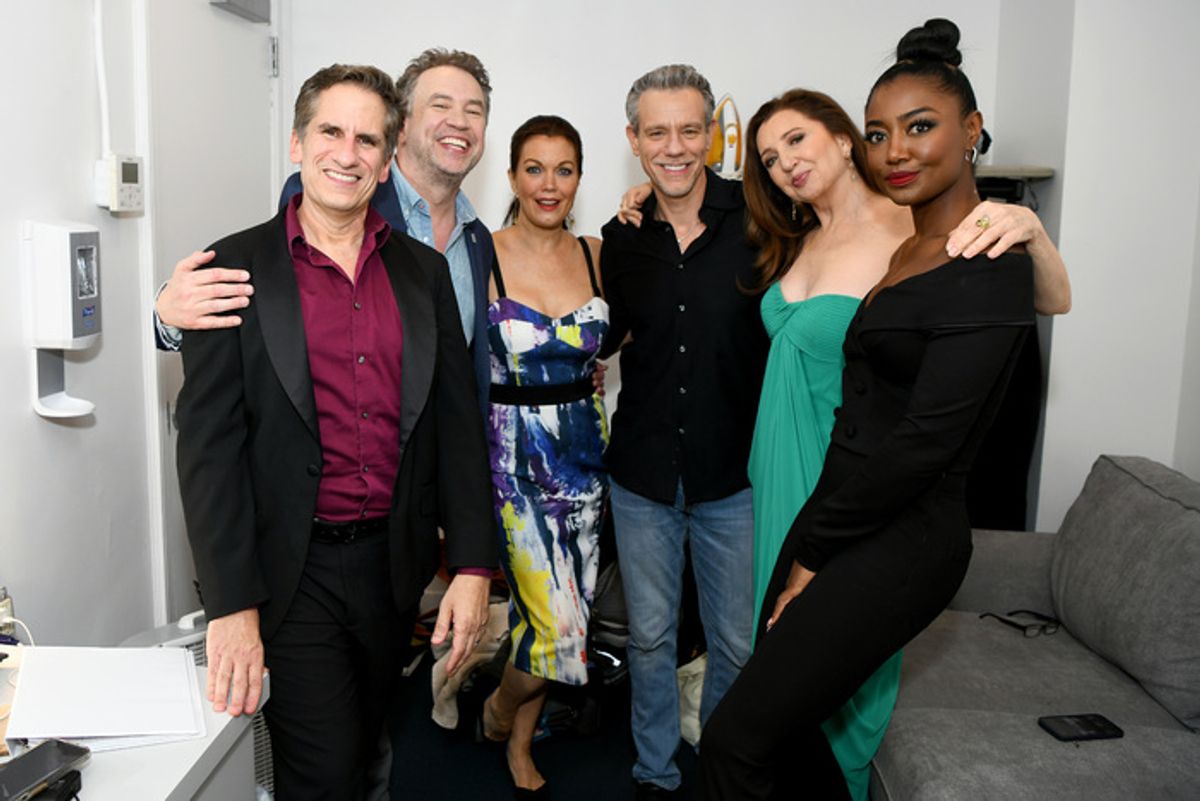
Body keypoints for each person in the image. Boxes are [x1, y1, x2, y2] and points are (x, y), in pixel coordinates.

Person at [699, 19, 1041, 798]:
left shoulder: (940, 239)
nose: (786, 163)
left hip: (869, 502)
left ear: (839, 138)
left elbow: (931, 421)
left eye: (797, 140)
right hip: (804, 488)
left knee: (761, 728)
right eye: (770, 156)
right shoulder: (807, 241)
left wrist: (1032, 229)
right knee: (778, 704)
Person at [174, 64, 495, 801]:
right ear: (296, 142)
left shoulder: (422, 273)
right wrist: (231, 605)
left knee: (374, 744)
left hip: (393, 568)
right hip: (291, 572)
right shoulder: (231, 269)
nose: (346, 154)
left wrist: (473, 568)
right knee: (322, 772)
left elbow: (455, 425)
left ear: (387, 161)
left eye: (367, 139)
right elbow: (209, 448)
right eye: (330, 132)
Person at [155, 48, 498, 415]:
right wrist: (166, 315)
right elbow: (264, 304)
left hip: (429, 464)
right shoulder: (328, 192)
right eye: (441, 105)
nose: (459, 122)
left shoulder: (479, 238)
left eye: (473, 111)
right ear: (402, 127)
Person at [600, 64, 768, 800]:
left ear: (712, 134)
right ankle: (655, 770)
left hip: (734, 474)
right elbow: (614, 341)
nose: (675, 147)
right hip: (641, 474)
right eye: (657, 131)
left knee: (735, 641)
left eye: (690, 129)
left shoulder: (762, 220)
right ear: (634, 139)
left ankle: (724, 771)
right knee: (649, 637)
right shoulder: (620, 236)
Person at [476, 115, 609, 798]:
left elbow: (614, 340)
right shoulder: (482, 252)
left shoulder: (596, 251)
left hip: (586, 458)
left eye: (563, 169)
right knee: (557, 629)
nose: (548, 183)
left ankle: (517, 740)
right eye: (534, 168)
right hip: (513, 460)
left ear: (579, 177)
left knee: (552, 618)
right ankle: (498, 709)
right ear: (512, 177)